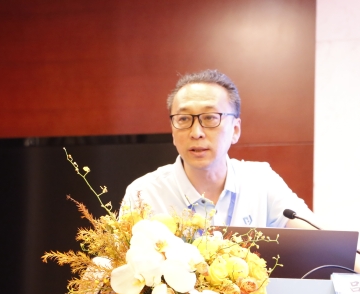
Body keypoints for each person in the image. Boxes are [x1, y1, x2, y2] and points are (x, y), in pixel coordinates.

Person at [121, 69, 320, 229]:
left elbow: (318, 239)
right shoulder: (143, 194)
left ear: (235, 130)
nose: (196, 132)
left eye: (210, 118)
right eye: (183, 119)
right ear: (173, 130)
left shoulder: (261, 181)